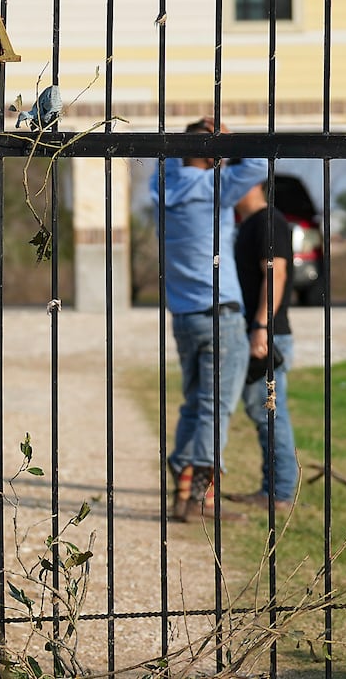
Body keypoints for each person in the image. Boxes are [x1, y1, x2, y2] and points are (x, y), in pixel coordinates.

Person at [149, 118, 267, 522]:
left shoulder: (162, 187)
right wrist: (232, 142)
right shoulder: (210, 186)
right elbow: (258, 168)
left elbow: (166, 165)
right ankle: (201, 497)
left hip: (184, 315)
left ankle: (183, 488)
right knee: (215, 407)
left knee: (195, 403)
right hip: (222, 314)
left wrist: (193, 145)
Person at [229, 180, 298, 514]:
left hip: (267, 334)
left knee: (270, 414)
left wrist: (261, 328)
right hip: (259, 331)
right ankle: (274, 489)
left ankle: (280, 494)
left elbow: (276, 275)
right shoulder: (246, 225)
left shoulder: (268, 221)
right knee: (264, 414)